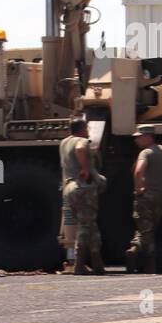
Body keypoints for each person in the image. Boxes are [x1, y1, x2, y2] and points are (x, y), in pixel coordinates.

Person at [59, 117, 104, 275]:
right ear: (83, 129)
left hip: (69, 187)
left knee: (90, 225)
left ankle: (97, 264)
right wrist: (85, 168)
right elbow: (79, 149)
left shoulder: (64, 143)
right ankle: (79, 264)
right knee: (85, 226)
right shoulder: (81, 141)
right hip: (82, 187)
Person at [125, 125, 162, 273]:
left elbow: (138, 172)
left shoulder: (145, 153)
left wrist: (139, 189)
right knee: (148, 228)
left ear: (148, 136)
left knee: (146, 230)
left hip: (145, 198)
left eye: (139, 137)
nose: (136, 140)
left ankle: (147, 261)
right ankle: (135, 247)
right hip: (159, 196)